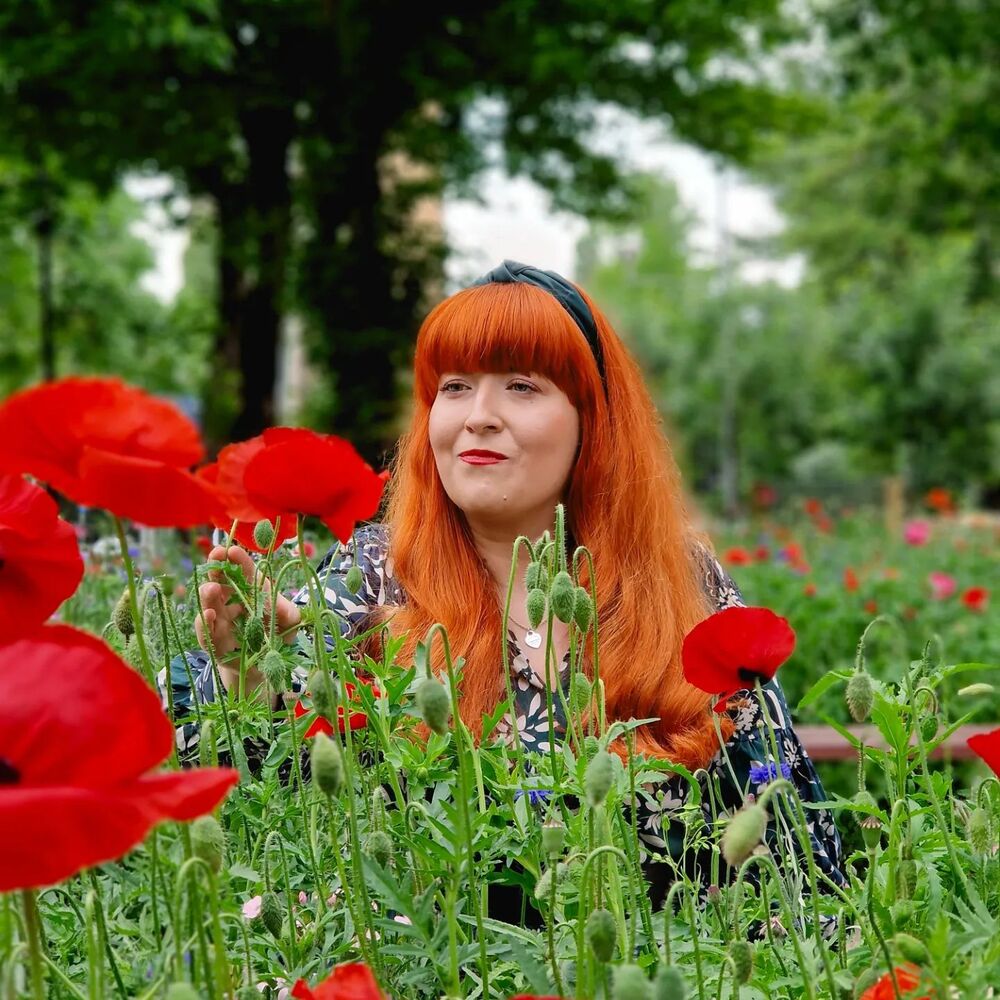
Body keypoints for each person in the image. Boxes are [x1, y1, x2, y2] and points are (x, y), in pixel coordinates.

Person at [167, 260, 845, 922]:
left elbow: (798, 863)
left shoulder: (684, 590)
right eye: (454, 387)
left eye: (521, 386)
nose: (478, 416)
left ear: (594, 419)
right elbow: (254, 818)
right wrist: (248, 678)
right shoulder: (372, 577)